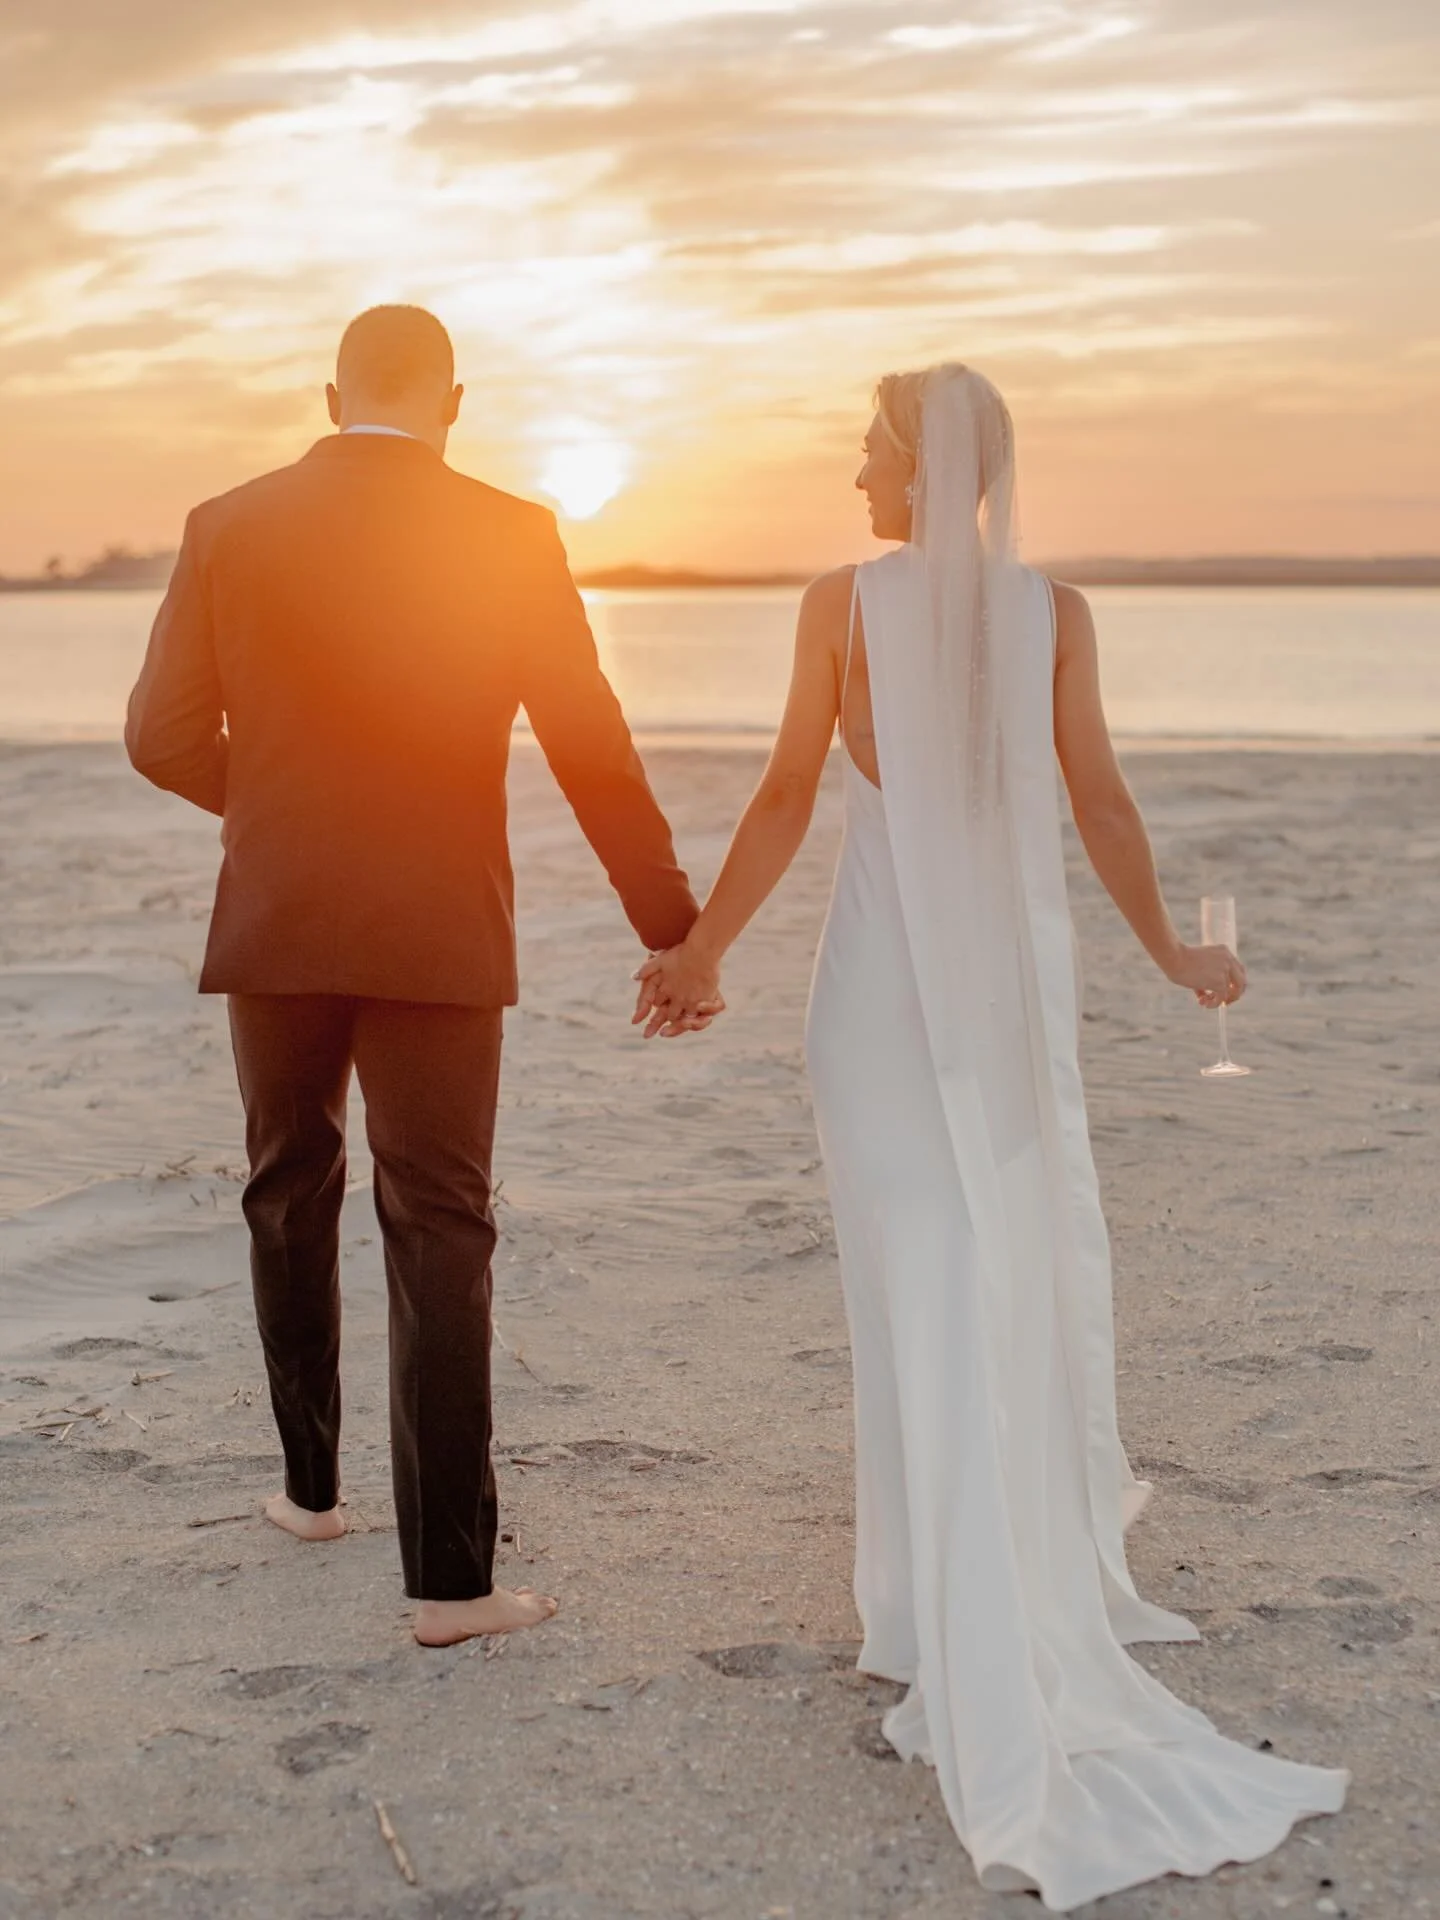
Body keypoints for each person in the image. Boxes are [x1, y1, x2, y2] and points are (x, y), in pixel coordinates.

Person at [634, 364, 1348, 1908]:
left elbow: (778, 796)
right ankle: (926, 1603)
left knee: (923, 1282)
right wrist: (1165, 952)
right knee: (956, 1277)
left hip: (878, 996)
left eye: (867, 451)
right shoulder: (1057, 614)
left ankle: (928, 1611)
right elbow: (1100, 804)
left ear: (920, 465)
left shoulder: (842, 605)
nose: (854, 477)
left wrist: (706, 953)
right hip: (996, 1004)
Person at [126, 305, 713, 1648]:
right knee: (440, 1224)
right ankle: (451, 1586)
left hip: (277, 916)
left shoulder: (229, 520)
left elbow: (157, 735)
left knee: (287, 1185)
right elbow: (589, 743)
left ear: (330, 396)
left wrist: (268, 811)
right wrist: (667, 921)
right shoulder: (510, 531)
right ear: (455, 400)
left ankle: (311, 1494)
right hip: (441, 929)